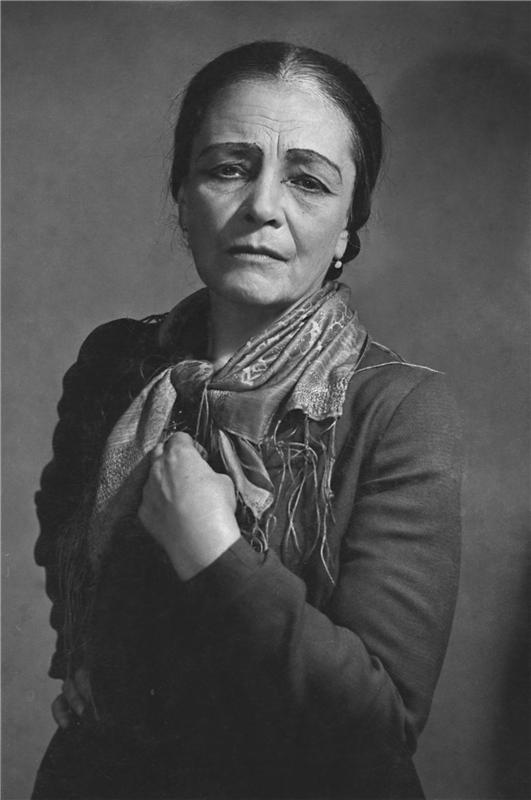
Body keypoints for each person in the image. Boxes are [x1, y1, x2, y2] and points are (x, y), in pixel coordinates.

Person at [32, 41, 462, 800]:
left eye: (308, 180)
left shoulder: (398, 410)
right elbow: (62, 534)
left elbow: (379, 724)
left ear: (348, 225)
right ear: (182, 195)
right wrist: (91, 658)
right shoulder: (115, 363)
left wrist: (214, 549)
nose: (263, 206)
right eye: (228, 168)